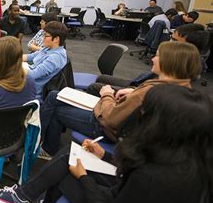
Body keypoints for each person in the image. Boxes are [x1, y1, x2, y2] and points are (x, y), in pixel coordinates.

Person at [0, 84, 212, 203]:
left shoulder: (155, 178)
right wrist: (104, 155)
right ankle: (26, 198)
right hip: (134, 201)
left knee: (65, 173)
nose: (141, 115)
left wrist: (84, 178)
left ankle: (25, 198)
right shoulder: (190, 156)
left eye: (148, 112)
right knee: (70, 155)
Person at [39, 41, 201, 159]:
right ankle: (42, 140)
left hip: (105, 125)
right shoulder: (180, 88)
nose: (152, 58)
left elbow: (110, 119)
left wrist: (107, 94)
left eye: (157, 55)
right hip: (116, 119)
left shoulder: (150, 92)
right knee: (55, 96)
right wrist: (132, 91)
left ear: (169, 61)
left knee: (56, 108)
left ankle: (45, 146)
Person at [88, 23, 209, 95]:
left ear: (189, 46)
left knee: (95, 86)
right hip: (143, 85)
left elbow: (158, 91)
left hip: (145, 91)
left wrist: (133, 91)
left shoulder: (187, 66)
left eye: (175, 41)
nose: (170, 42)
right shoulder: (178, 56)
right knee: (101, 78)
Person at [24, 21, 68, 101]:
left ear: (56, 39)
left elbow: (33, 74)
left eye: (45, 36)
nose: (42, 38)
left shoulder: (55, 57)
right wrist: (10, 57)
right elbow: (30, 57)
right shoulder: (48, 48)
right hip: (28, 83)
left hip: (32, 92)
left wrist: (12, 66)